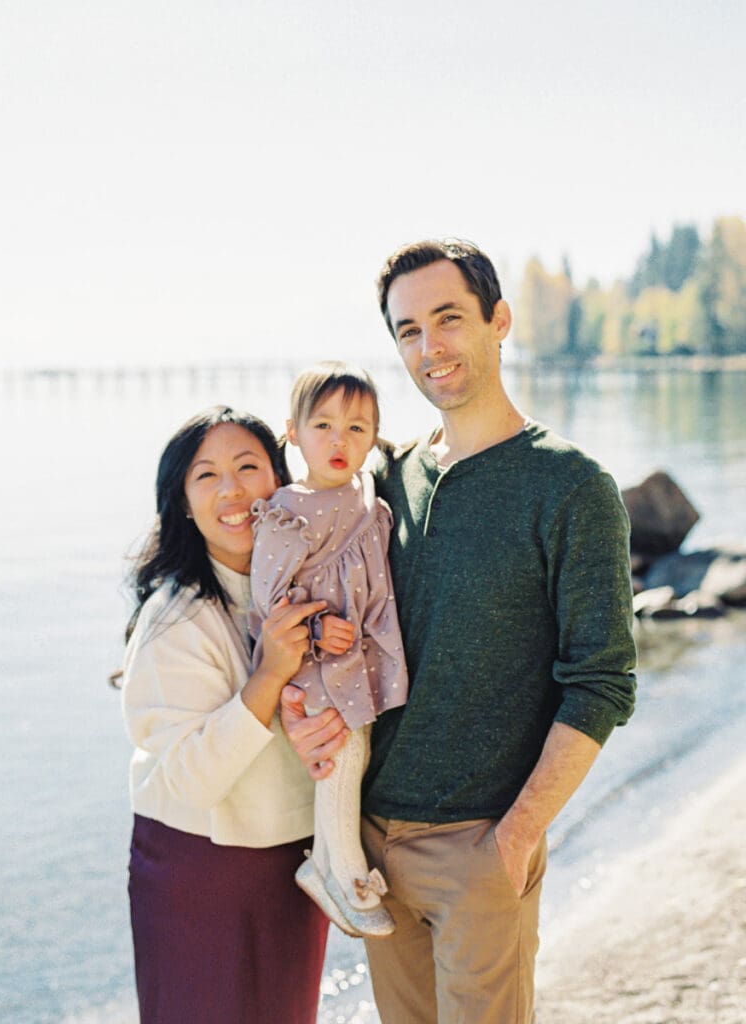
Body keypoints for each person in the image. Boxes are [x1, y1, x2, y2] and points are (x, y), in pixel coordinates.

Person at [281, 239, 638, 1024]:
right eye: (408, 330)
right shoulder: (385, 480)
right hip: (373, 843)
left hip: (479, 843)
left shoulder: (570, 486)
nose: (429, 347)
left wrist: (514, 839)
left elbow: (604, 679)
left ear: (499, 320)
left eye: (448, 319)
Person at [118, 406, 336, 1024]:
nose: (233, 491)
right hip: (199, 869)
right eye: (206, 476)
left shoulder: (305, 582)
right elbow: (190, 779)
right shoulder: (176, 616)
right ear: (184, 502)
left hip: (293, 860)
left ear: (280, 480)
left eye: (248, 467)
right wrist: (268, 675)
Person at [248, 361, 408, 938]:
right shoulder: (288, 509)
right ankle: (340, 871)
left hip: (355, 658)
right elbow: (267, 603)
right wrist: (314, 633)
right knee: (339, 759)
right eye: (324, 426)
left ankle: (333, 864)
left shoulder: (365, 490)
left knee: (354, 755)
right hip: (317, 662)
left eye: (357, 429)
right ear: (292, 431)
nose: (340, 442)